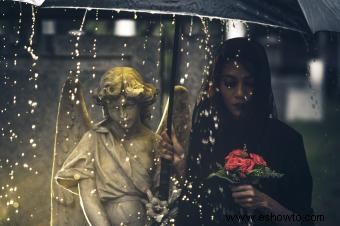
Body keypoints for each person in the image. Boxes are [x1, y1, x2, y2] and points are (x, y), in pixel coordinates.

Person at [160, 37, 314, 226]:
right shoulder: (208, 134)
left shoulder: (286, 142)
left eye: (249, 83)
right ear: (217, 85)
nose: (240, 93)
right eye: (230, 83)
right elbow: (198, 206)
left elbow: (304, 222)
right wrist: (182, 164)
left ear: (260, 85)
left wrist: (265, 202)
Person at [55, 67, 161, 226]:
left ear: (140, 104)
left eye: (128, 106)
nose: (123, 115)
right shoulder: (94, 140)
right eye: (115, 108)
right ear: (106, 108)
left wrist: (158, 207)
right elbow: (89, 197)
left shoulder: (154, 142)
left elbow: (163, 193)